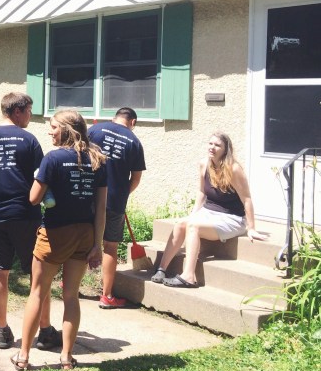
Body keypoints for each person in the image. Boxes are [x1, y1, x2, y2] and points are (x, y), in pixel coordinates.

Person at [0, 92, 60, 351]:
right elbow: (42, 177)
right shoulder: (29, 140)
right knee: (38, 274)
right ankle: (45, 330)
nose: (30, 115)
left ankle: (3, 330)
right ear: (17, 111)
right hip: (26, 215)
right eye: (29, 111)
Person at [12, 110, 107, 371]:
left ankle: (23, 356)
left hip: (55, 234)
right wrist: (97, 245)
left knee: (38, 293)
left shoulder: (53, 159)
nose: (50, 131)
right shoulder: (97, 159)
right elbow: (101, 208)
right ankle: (66, 356)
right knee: (71, 296)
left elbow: (33, 198)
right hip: (84, 234)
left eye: (53, 127)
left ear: (66, 129)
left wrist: (38, 179)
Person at [151, 132, 268, 288]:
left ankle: (189, 276)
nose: (212, 147)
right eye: (210, 143)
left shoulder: (233, 169)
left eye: (217, 145)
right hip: (208, 212)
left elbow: (246, 199)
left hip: (231, 218)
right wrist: (193, 214)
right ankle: (162, 269)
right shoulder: (204, 164)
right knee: (181, 223)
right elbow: (201, 192)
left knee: (193, 227)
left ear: (226, 149)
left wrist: (251, 228)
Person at [87, 107, 146, 309]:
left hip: (88, 196)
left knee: (82, 239)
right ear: (133, 122)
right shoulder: (134, 142)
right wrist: (122, 194)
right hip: (114, 202)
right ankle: (107, 296)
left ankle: (70, 283)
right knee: (110, 246)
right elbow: (136, 178)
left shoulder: (95, 130)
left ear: (115, 118)